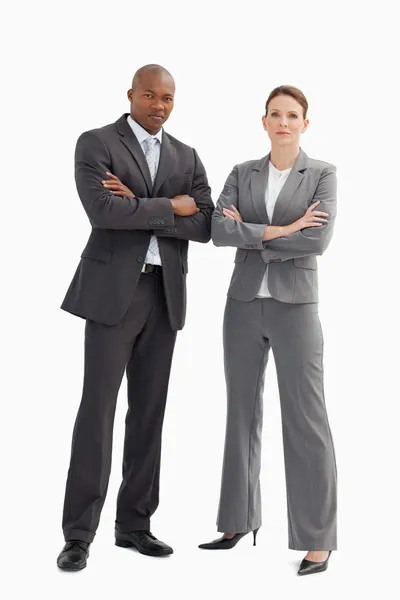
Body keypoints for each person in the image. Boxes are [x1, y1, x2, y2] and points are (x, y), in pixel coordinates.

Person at [57, 64, 214, 570]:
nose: (159, 105)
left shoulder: (186, 155)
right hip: (110, 296)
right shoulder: (97, 143)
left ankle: (135, 525)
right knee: (97, 412)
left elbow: (207, 222)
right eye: (150, 95)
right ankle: (79, 534)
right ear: (131, 95)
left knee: (149, 414)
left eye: (168, 98)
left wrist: (143, 205)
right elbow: (103, 212)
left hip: (164, 295)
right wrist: (172, 206)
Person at [199, 86, 337, 576]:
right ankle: (236, 521)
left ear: (305, 123)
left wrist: (253, 232)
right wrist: (280, 230)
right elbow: (218, 229)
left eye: (292, 115)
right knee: (240, 412)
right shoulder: (242, 172)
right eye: (275, 114)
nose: (284, 122)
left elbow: (317, 238)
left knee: (306, 420)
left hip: (295, 306)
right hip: (241, 304)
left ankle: (316, 539)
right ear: (264, 121)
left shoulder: (322, 174)